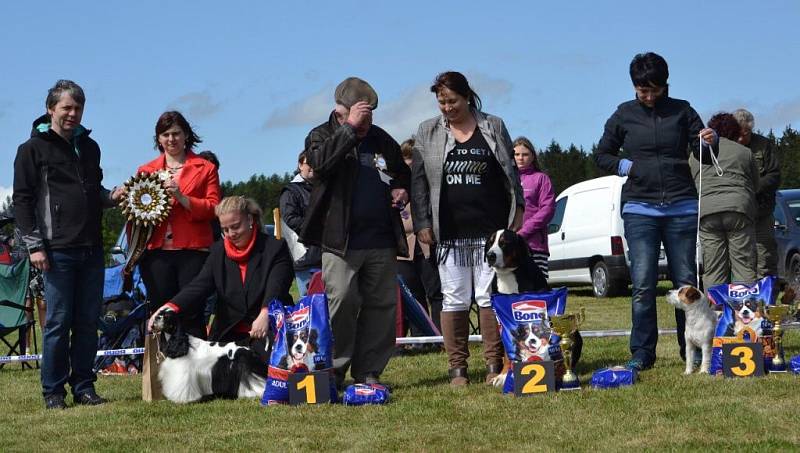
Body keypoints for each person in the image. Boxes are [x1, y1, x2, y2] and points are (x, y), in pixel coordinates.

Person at [593, 52, 717, 371]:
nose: (648, 96)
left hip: (682, 206)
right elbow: (602, 154)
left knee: (686, 280)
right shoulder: (624, 114)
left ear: (666, 85)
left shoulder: (683, 111)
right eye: (642, 90)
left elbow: (704, 155)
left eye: (655, 90)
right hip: (639, 208)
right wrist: (626, 166)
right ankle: (642, 353)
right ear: (634, 87)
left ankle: (688, 349)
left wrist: (709, 141)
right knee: (644, 283)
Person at [13, 80, 124, 409]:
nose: (73, 114)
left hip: (91, 248)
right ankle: (53, 392)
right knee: (59, 322)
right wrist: (34, 246)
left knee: (88, 320)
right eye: (67, 108)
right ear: (51, 109)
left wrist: (112, 198)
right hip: (55, 248)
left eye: (78, 108)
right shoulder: (31, 150)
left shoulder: (90, 147)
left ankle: (85, 387)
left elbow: (96, 192)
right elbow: (22, 202)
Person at [411, 71, 524, 386]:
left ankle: (493, 363)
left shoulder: (493, 125)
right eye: (442, 102)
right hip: (450, 232)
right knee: (455, 298)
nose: (447, 107)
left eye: (453, 101)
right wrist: (422, 223)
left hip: (491, 230)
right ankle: (457, 367)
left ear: (468, 97)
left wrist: (520, 208)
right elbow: (418, 182)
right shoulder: (427, 131)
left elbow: (509, 172)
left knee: (488, 297)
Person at [300, 77, 411, 386]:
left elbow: (403, 171)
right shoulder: (321, 135)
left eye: (370, 116)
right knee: (343, 302)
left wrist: (402, 189)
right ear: (342, 111)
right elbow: (318, 165)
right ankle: (333, 372)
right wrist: (349, 131)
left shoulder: (379, 138)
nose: (367, 123)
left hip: (381, 239)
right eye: (362, 116)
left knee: (382, 307)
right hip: (340, 241)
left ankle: (368, 372)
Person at [147, 196, 294, 362]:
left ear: (250, 219)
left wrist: (266, 312)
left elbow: (277, 286)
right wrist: (169, 307)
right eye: (225, 229)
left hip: (268, 329)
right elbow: (199, 286)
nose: (231, 234)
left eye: (236, 226)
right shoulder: (217, 252)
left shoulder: (275, 247)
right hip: (227, 335)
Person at [136, 111, 220, 339]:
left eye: (176, 133)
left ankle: (196, 373)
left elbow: (214, 208)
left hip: (193, 252)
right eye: (165, 134)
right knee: (161, 314)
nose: (171, 139)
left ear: (186, 136)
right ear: (158, 139)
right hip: (156, 254)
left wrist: (183, 198)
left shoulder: (205, 168)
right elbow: (137, 214)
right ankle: (164, 370)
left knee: (192, 314)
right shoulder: (146, 171)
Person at [690, 113, 759, 289]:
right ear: (735, 132)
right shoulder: (744, 152)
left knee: (713, 268)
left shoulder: (694, 155)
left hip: (707, 214)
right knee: (743, 265)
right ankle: (745, 312)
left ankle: (716, 312)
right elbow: (755, 184)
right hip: (739, 210)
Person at [397, 138, 444, 338]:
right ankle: (420, 338)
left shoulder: (429, 187)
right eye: (406, 163)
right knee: (413, 297)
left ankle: (441, 335)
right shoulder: (395, 189)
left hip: (428, 247)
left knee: (435, 293)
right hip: (403, 252)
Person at [732, 109, 781, 279]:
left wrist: (752, 189)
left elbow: (774, 175)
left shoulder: (764, 145)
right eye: (738, 134)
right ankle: (742, 299)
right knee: (741, 260)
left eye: (746, 133)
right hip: (736, 214)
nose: (742, 139)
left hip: (761, 214)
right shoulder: (725, 148)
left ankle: (767, 301)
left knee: (765, 260)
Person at [279, 151, 321, 297]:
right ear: (300, 165)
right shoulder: (290, 191)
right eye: (309, 163)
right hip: (305, 255)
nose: (313, 167)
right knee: (309, 300)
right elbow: (290, 219)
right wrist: (318, 228)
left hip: (326, 254)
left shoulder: (323, 188)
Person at [513, 136, 556, 277]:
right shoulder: (506, 179)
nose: (520, 158)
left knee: (537, 290)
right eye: (516, 154)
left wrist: (524, 232)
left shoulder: (541, 178)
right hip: (510, 246)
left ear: (532, 156)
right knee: (514, 293)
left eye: (525, 154)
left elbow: (547, 209)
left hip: (535, 246)